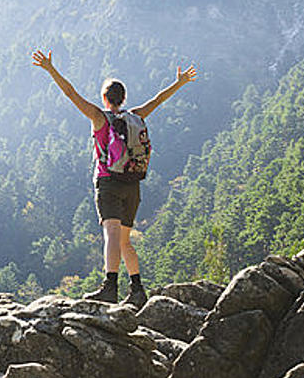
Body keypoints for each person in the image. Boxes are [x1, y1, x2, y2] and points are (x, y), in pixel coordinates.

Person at [31, 50, 197, 306]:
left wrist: (51, 69)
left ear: (105, 99)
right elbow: (158, 100)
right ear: (123, 98)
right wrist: (180, 82)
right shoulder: (135, 116)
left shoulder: (99, 118)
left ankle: (109, 287)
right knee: (124, 239)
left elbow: (71, 93)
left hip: (108, 183)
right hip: (133, 185)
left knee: (110, 234)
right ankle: (138, 289)